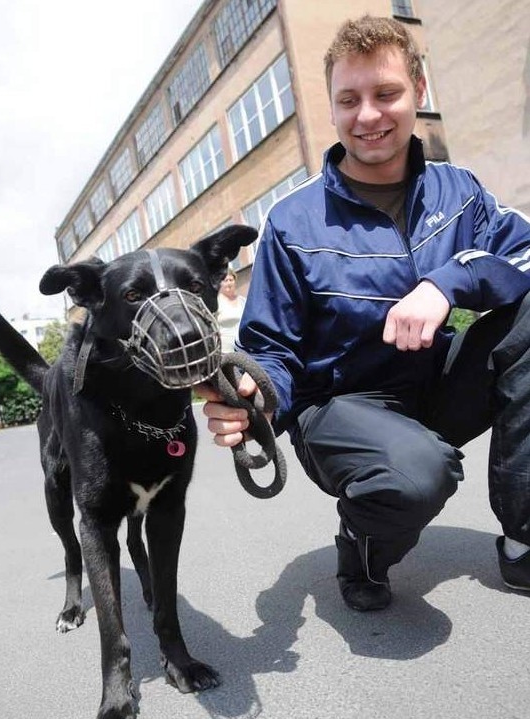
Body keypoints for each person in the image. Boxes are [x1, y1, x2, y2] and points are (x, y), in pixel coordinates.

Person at [197, 15, 530, 611]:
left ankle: (524, 532)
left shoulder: (460, 191)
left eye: (386, 94)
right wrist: (253, 399)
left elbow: (523, 255)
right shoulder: (293, 222)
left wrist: (448, 282)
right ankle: (362, 544)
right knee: (419, 473)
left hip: (435, 383)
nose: (368, 116)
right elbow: (272, 347)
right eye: (349, 99)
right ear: (331, 107)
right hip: (342, 407)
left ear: (419, 94)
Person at [217, 268, 247, 353]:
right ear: (220, 283)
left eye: (231, 280)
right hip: (225, 351)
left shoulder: (243, 301)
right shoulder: (216, 303)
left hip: (244, 347)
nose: (229, 283)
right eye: (226, 280)